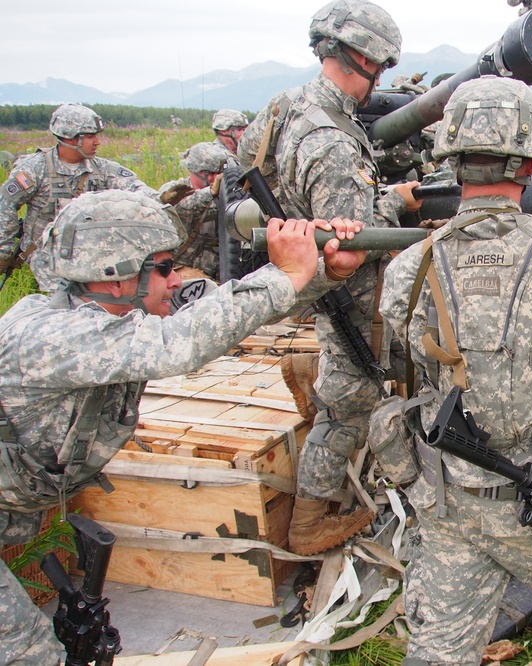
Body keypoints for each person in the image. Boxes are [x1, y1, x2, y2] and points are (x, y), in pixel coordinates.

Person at [0, 189, 366, 665]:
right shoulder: (48, 335)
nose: (176, 280)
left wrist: (320, 271)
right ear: (116, 277)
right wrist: (284, 273)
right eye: (165, 267)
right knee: (28, 653)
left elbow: (220, 316)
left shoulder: (118, 318)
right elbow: (180, 344)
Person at [379, 75, 532, 666]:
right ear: (529, 163)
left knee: (439, 649)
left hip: (449, 503)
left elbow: (410, 353)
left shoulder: (411, 264)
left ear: (453, 160)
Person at [237, 0, 422, 556]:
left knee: (352, 385)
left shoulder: (285, 106)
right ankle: (308, 523)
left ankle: (318, 374)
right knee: (352, 408)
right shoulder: (332, 141)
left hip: (310, 276)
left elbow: (248, 164)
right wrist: (396, 198)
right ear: (364, 60)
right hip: (348, 291)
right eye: (381, 68)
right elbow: (356, 239)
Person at [0, 104, 158, 281]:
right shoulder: (35, 169)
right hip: (45, 255)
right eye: (90, 136)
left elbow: (138, 188)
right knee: (65, 295)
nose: (97, 141)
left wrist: (161, 198)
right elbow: (5, 205)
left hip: (90, 252)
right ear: (69, 137)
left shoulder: (102, 168)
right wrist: (4, 252)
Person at [157, 141, 232, 280]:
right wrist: (209, 192)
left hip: (218, 270)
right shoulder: (176, 190)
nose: (216, 178)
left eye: (220, 173)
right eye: (211, 173)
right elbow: (181, 207)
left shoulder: (226, 192)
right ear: (198, 172)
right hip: (182, 270)